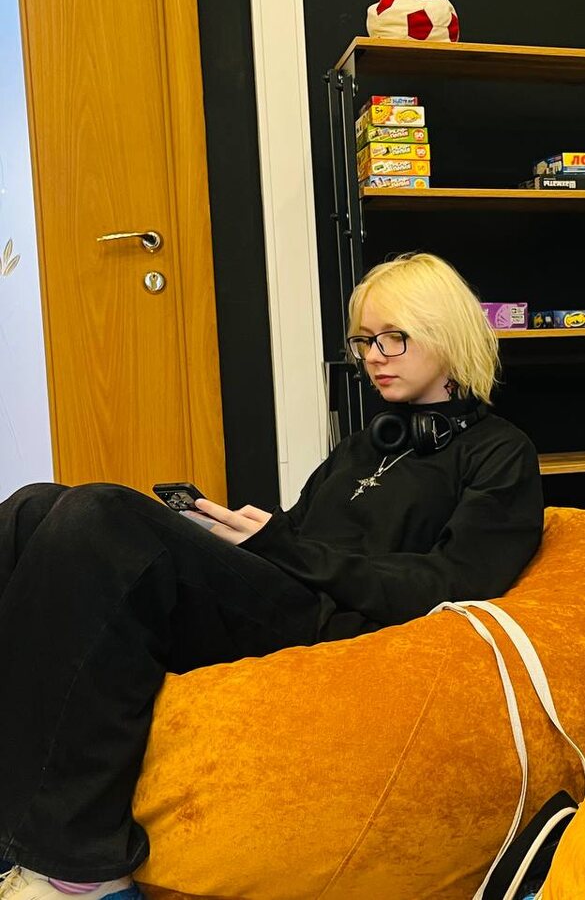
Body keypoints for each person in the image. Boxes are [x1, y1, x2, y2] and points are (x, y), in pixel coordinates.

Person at [0, 252, 544, 900]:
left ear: (445, 332)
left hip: (338, 625)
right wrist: (236, 535)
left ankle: (82, 870)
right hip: (287, 591)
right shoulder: (365, 445)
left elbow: (454, 584)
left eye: (394, 337)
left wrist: (285, 547)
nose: (374, 356)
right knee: (32, 507)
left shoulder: (500, 453)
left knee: (99, 514)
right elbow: (303, 533)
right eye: (364, 341)